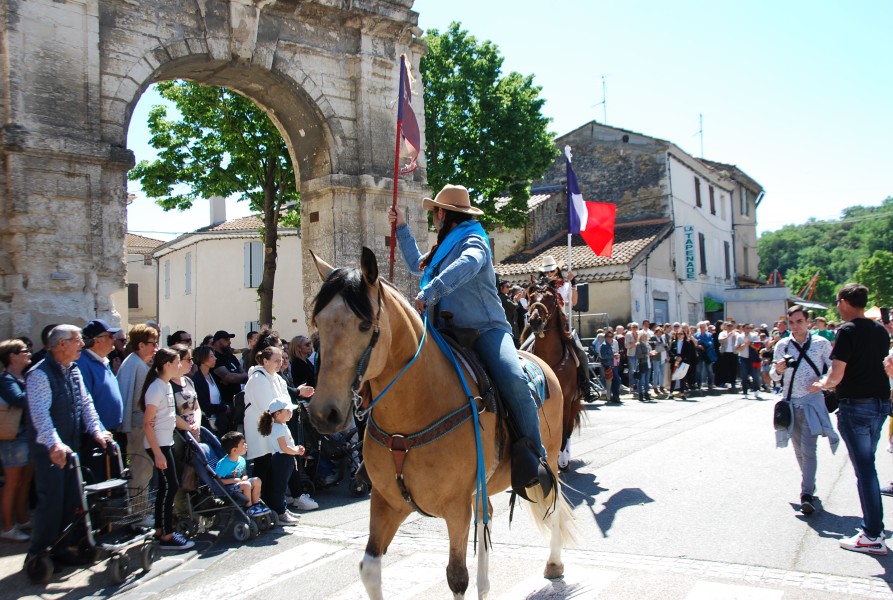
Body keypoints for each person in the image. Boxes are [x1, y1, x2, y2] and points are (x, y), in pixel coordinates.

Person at [390, 184, 553, 496]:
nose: (434, 218)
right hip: (445, 332)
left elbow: (470, 263)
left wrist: (430, 292)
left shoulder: (474, 238)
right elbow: (415, 265)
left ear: (443, 214)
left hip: (485, 330)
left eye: (435, 212)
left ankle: (535, 458)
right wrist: (400, 229)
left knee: (514, 379)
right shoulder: (442, 246)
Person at [809, 284, 891, 555]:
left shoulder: (847, 330)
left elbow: (837, 373)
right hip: (880, 403)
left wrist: (823, 384)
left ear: (844, 301)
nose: (836, 307)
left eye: (837, 302)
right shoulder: (879, 329)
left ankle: (872, 533)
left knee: (865, 471)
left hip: (857, 405)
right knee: (869, 468)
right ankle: (873, 531)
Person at [24, 325, 112, 566]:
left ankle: (61, 548)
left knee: (72, 500)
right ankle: (38, 553)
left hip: (72, 447)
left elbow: (86, 403)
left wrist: (98, 430)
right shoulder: (39, 374)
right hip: (49, 451)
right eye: (77, 341)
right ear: (61, 344)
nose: (82, 345)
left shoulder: (73, 370)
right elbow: (41, 416)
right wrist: (54, 445)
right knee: (51, 501)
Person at [771, 305, 837, 516]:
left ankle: (806, 493)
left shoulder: (821, 344)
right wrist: (777, 370)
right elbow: (773, 376)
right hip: (789, 403)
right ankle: (809, 483)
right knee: (798, 449)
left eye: (799, 322)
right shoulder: (782, 345)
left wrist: (823, 382)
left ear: (808, 322)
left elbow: (834, 369)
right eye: (792, 322)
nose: (796, 326)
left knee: (809, 449)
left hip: (812, 402)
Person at [140, 348, 195, 551]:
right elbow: (147, 423)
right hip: (159, 445)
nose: (180, 365)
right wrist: (157, 453)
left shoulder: (164, 386)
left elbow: (170, 418)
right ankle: (167, 534)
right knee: (170, 486)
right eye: (177, 362)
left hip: (166, 442)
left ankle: (159, 530)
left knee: (167, 486)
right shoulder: (156, 388)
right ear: (166, 365)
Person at [244, 346, 313, 505]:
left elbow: (286, 401)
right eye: (276, 360)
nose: (280, 363)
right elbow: (266, 406)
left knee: (279, 468)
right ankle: (260, 503)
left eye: (281, 359)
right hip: (262, 431)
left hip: (277, 428)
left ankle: (278, 502)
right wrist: (282, 413)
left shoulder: (277, 378)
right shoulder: (257, 379)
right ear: (265, 361)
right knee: (263, 466)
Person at [117, 324, 158, 524]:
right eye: (152, 343)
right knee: (140, 469)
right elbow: (128, 397)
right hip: (138, 425)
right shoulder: (134, 364)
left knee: (144, 468)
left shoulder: (138, 363)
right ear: (141, 345)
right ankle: (138, 513)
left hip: (141, 423)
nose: (155, 347)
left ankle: (141, 510)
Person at [76, 319, 125, 481]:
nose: (114, 339)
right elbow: (84, 402)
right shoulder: (83, 363)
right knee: (98, 483)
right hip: (96, 436)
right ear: (97, 340)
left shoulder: (102, 361)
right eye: (110, 336)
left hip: (110, 433)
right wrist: (100, 430)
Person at [0, 339, 34, 542]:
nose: (28, 353)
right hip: (14, 437)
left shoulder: (21, 377)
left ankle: (22, 519)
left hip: (25, 435)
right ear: (12, 356)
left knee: (25, 480)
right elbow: (19, 400)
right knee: (13, 482)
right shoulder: (6, 380)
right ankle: (7, 526)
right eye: (23, 351)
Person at [258, 398, 306, 525]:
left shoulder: (282, 426)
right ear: (277, 414)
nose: (291, 412)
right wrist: (296, 451)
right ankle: (280, 513)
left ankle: (282, 509)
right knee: (280, 487)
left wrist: (295, 450)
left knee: (282, 486)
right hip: (282, 459)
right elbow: (284, 447)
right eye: (287, 410)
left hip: (285, 458)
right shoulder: (278, 428)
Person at [215, 431, 268, 516]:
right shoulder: (224, 464)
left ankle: (256, 504)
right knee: (246, 485)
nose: (246, 445)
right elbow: (217, 480)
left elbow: (243, 473)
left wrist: (244, 477)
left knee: (257, 480)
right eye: (243, 444)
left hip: (240, 483)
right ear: (234, 450)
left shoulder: (241, 460)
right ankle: (249, 508)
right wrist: (233, 480)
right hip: (227, 489)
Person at [211, 330, 249, 431]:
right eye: (226, 340)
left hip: (237, 402)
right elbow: (229, 377)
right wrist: (235, 377)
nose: (229, 342)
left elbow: (245, 375)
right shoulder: (215, 359)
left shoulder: (231, 357)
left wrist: (236, 377)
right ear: (217, 342)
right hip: (224, 403)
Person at [736, 324, 762, 399]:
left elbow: (758, 347)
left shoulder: (754, 336)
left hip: (753, 358)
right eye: (747, 328)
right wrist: (744, 344)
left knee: (755, 375)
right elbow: (737, 348)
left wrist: (750, 343)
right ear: (743, 329)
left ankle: (756, 389)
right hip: (743, 358)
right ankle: (745, 391)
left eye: (750, 328)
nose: (749, 329)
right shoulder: (740, 336)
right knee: (744, 375)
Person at [693, 321, 717, 391]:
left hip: (707, 353)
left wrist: (703, 345)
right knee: (698, 370)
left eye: (703, 327)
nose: (702, 328)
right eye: (701, 327)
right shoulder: (696, 335)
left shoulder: (709, 334)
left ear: (706, 327)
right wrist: (699, 346)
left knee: (709, 369)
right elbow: (695, 343)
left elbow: (711, 343)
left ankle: (710, 384)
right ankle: (698, 384)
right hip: (699, 353)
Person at [599, 332, 621, 404]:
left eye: (611, 337)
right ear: (605, 338)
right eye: (608, 337)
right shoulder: (604, 345)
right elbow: (603, 356)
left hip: (613, 364)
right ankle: (614, 396)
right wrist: (613, 356)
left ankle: (615, 396)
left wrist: (616, 360)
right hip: (608, 366)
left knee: (615, 381)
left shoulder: (611, 344)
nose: (610, 338)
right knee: (616, 380)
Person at [633, 331, 651, 401]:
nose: (645, 338)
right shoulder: (639, 344)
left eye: (646, 336)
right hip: (642, 364)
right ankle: (640, 394)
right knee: (641, 380)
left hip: (648, 363)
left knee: (647, 380)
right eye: (644, 336)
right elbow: (638, 355)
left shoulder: (647, 344)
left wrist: (650, 354)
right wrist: (646, 355)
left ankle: (646, 393)